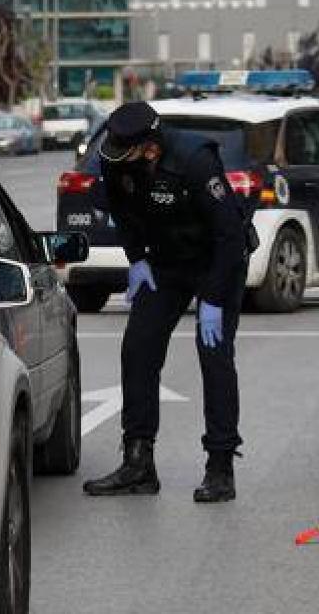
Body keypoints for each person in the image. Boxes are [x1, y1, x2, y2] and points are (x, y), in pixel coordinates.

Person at [82, 102, 251, 503]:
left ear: (151, 149)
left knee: (214, 356)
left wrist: (212, 298)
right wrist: (136, 258)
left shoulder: (196, 160)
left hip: (216, 262)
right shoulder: (117, 157)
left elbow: (229, 234)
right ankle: (138, 463)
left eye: (129, 153)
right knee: (138, 350)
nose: (118, 159)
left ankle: (220, 466)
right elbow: (121, 212)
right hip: (164, 265)